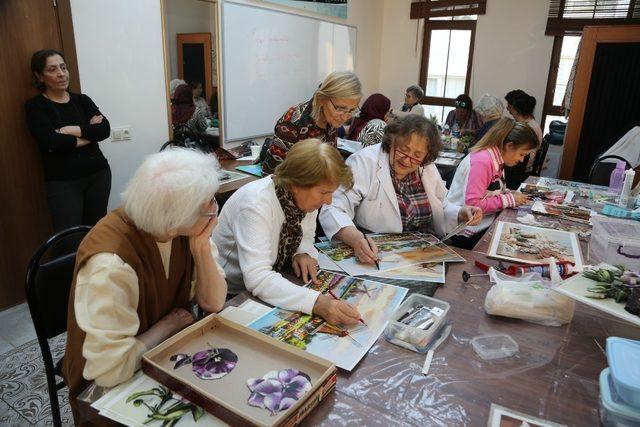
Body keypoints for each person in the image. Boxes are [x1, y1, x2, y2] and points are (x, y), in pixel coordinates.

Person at [62, 148, 227, 424]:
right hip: (106, 389)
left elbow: (213, 302)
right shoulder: (110, 264)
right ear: (173, 223)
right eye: (209, 203)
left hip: (165, 357)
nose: (215, 208)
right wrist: (167, 326)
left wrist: (200, 247)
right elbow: (108, 372)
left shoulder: (186, 230)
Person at [213, 139, 362, 326]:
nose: (329, 201)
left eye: (331, 192)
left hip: (274, 277)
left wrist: (303, 251)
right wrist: (318, 303)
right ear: (296, 184)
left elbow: (307, 233)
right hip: (231, 293)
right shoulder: (255, 205)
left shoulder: (302, 198)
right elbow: (257, 278)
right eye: (324, 192)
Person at [319, 115, 482, 264]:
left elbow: (441, 205)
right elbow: (333, 208)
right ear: (391, 141)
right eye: (403, 149)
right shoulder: (364, 162)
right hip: (375, 252)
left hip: (423, 254)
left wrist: (460, 213)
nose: (407, 160)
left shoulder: (426, 167)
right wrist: (356, 240)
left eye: (417, 155)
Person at [25, 49, 111, 232]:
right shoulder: (36, 106)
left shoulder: (82, 100)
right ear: (39, 76)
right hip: (63, 183)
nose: (61, 74)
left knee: (96, 233)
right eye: (52, 69)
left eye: (63, 68)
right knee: (68, 240)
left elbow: (104, 130)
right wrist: (89, 133)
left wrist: (72, 130)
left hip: (98, 175)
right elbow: (52, 142)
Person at [446, 118, 540, 249]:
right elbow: (473, 206)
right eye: (521, 154)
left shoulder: (495, 159)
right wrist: (509, 199)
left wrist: (508, 193)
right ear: (509, 146)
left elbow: (492, 190)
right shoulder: (482, 161)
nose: (521, 159)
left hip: (481, 227)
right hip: (465, 235)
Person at [262, 71, 362, 174]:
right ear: (321, 99)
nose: (345, 117)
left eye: (352, 110)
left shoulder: (331, 119)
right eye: (340, 108)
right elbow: (272, 174)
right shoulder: (293, 123)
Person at [504, 89, 543, 187]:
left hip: (519, 172)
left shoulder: (528, 128)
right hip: (519, 169)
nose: (507, 108)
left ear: (516, 108)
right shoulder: (528, 123)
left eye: (509, 105)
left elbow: (521, 156)